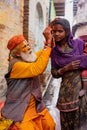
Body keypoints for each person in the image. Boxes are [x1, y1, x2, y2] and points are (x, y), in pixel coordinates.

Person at [0, 27, 55, 130]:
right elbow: (37, 69)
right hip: (20, 108)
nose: (29, 47)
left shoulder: (27, 57)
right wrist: (47, 45)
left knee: (50, 125)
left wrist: (48, 42)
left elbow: (39, 55)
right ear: (17, 54)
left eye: (28, 44)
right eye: (24, 46)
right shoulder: (16, 65)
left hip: (36, 106)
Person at [50, 18, 87, 130]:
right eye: (54, 31)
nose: (56, 34)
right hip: (65, 93)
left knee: (80, 122)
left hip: (80, 91)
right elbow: (54, 73)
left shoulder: (79, 44)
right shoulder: (55, 52)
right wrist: (65, 68)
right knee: (66, 123)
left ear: (67, 31)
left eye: (60, 31)